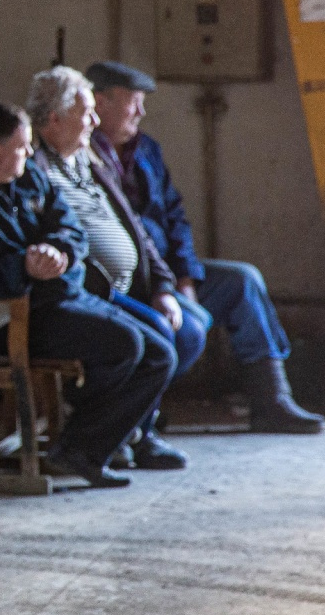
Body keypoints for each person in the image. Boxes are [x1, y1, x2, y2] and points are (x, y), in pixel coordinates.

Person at [0, 100, 174, 488]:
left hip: (59, 297)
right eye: (23, 147)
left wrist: (60, 251)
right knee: (126, 346)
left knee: (160, 354)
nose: (31, 153)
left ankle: (79, 446)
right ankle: (80, 450)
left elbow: (69, 226)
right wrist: (22, 266)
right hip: (9, 319)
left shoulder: (23, 173)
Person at [83, 60, 325, 433]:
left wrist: (184, 276)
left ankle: (271, 400)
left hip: (164, 272)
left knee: (242, 281)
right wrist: (164, 286)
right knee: (188, 326)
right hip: (127, 281)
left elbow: (174, 218)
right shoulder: (84, 156)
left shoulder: (145, 150)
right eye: (133, 102)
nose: (141, 111)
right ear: (101, 103)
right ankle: (136, 411)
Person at [25, 66, 203, 470]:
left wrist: (162, 286)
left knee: (181, 330)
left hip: (127, 288)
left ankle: (128, 434)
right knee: (153, 339)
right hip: (84, 296)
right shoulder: (33, 168)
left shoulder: (88, 159)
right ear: (54, 120)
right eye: (85, 113)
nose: (93, 122)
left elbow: (136, 231)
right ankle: (117, 439)